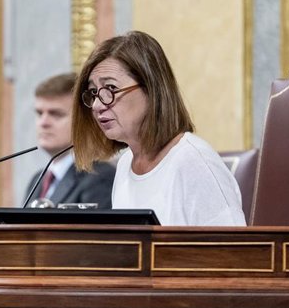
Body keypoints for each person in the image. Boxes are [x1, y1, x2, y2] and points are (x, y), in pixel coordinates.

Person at [71, 31, 246, 226]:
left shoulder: (193, 160)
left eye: (110, 89)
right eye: (94, 93)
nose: (96, 105)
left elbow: (235, 252)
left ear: (151, 89)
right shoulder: (125, 164)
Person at [24, 72, 115, 208]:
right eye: (39, 113)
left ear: (85, 120)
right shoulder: (37, 180)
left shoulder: (99, 176)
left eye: (56, 114)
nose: (43, 122)